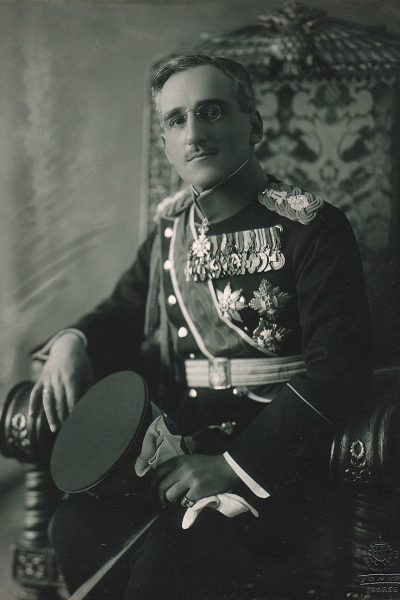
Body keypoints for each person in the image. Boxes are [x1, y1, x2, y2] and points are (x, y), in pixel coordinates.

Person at [29, 55, 371, 598]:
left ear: (252, 125)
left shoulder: (312, 227)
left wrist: (233, 465)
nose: (194, 133)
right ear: (166, 142)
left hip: (279, 457)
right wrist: (73, 342)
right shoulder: (172, 229)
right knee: (77, 526)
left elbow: (339, 369)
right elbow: (120, 314)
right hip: (182, 442)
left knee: (174, 557)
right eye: (176, 119)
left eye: (211, 112)